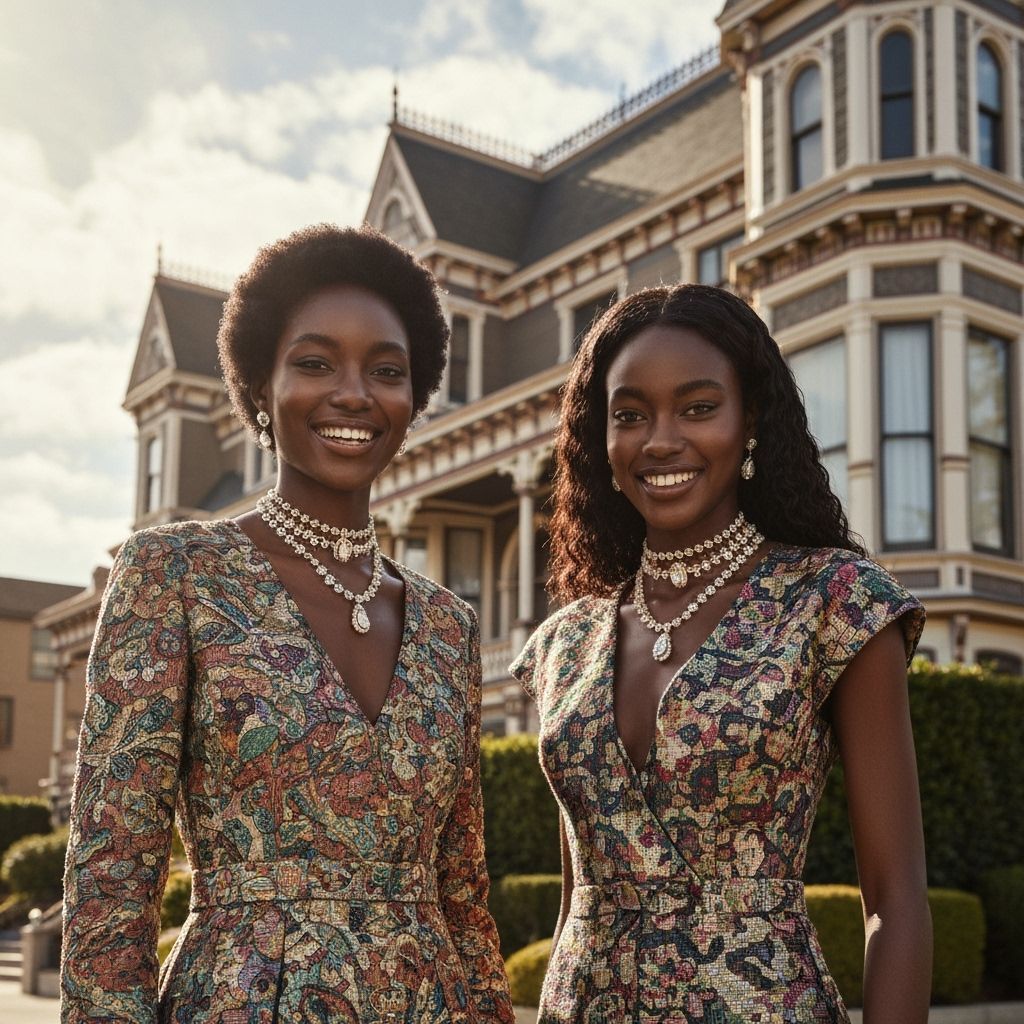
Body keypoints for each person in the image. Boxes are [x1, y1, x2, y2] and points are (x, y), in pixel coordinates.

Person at [61, 223, 515, 1024]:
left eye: (386, 370)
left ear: (413, 399)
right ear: (259, 390)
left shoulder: (449, 626)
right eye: (314, 363)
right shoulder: (174, 573)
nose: (353, 392)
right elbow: (111, 878)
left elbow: (463, 897)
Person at [510, 284, 931, 1023]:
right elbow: (577, 898)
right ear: (599, 443)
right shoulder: (561, 646)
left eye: (698, 408)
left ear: (751, 423)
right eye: (630, 415)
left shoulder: (834, 602)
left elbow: (895, 903)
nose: (660, 439)